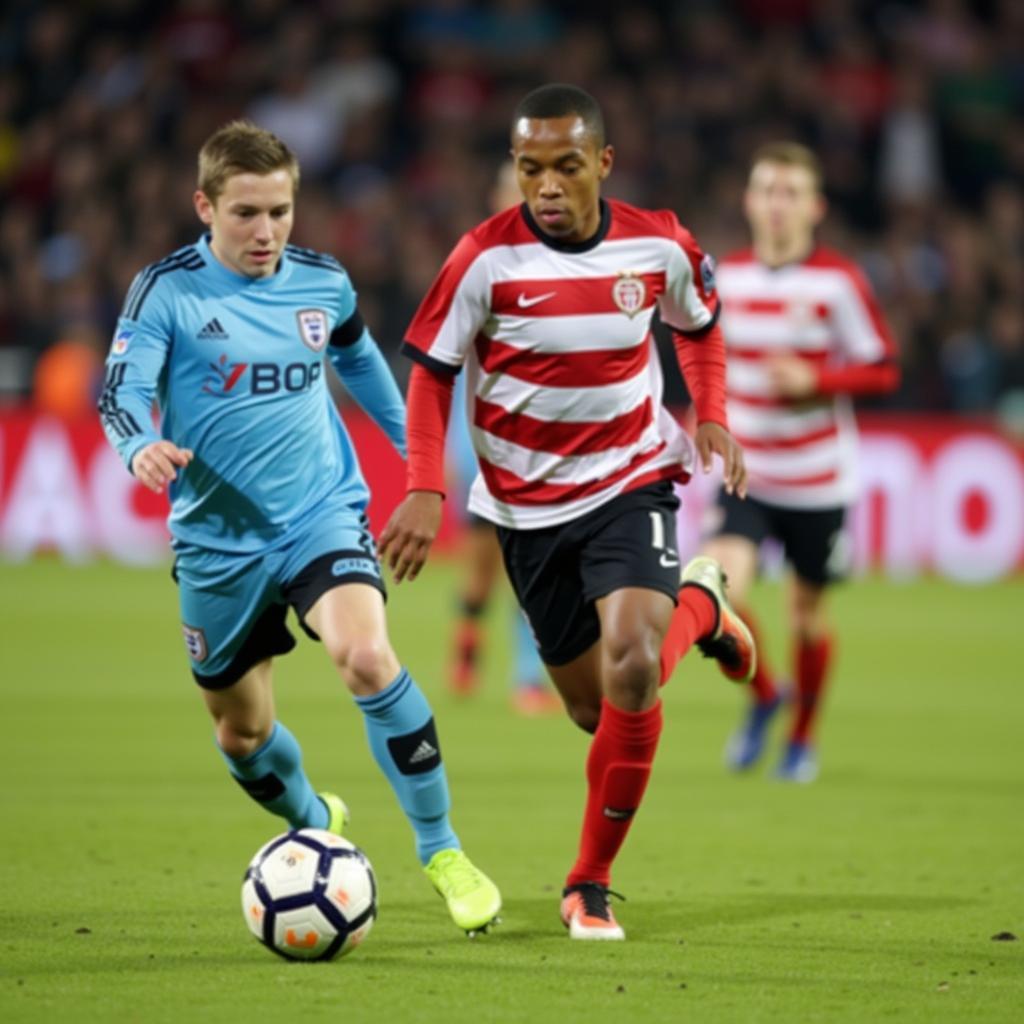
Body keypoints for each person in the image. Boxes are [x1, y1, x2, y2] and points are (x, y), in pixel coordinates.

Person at [96, 120, 500, 936]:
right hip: (216, 543)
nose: (267, 232)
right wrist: (140, 443)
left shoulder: (323, 282)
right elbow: (119, 389)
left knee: (366, 654)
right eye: (246, 213)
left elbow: (358, 364)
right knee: (241, 733)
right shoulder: (167, 288)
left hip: (319, 515)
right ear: (204, 205)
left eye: (281, 212)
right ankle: (315, 814)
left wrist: (421, 468)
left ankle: (443, 850)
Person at [379, 84, 755, 941]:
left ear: (604, 165)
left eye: (566, 167)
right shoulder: (482, 258)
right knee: (596, 710)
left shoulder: (657, 243)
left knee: (631, 669)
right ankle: (702, 609)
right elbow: (431, 373)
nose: (545, 186)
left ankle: (589, 882)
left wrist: (710, 412)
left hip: (632, 478)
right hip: (524, 510)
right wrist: (427, 487)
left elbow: (697, 325)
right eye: (529, 169)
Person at [706, 141, 900, 783]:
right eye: (767, 190)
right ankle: (766, 696)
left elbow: (884, 367)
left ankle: (802, 737)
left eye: (791, 192)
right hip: (748, 474)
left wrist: (819, 379)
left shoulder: (838, 282)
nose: (778, 204)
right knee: (715, 590)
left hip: (818, 482)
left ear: (815, 207)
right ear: (749, 201)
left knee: (807, 616)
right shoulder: (724, 277)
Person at [448, 162, 561, 716]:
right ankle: (466, 650)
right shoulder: (473, 265)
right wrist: (453, 452)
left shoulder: (559, 267)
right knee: (480, 573)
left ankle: (527, 678)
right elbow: (445, 369)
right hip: (479, 447)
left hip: (538, 453)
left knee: (532, 574)